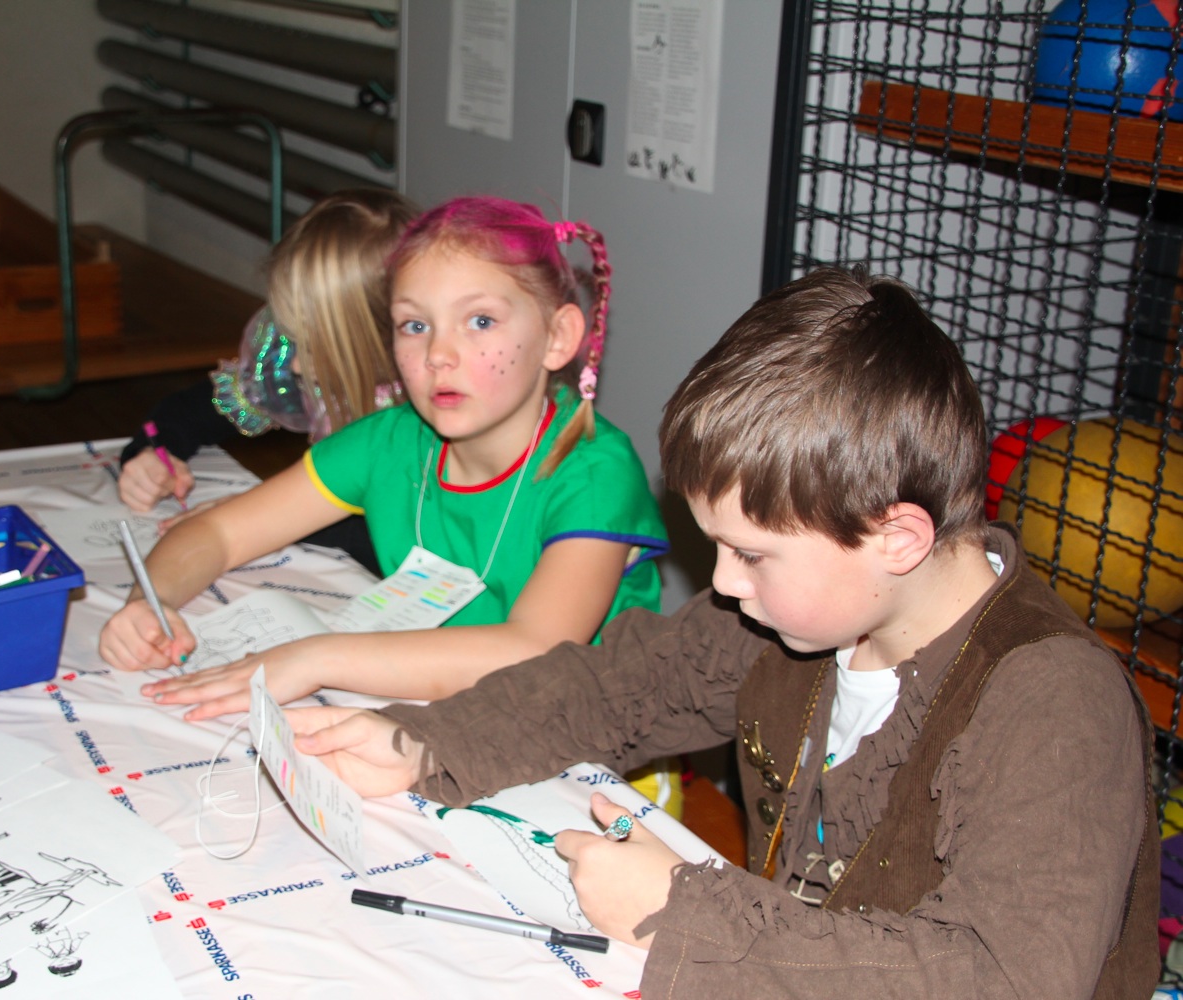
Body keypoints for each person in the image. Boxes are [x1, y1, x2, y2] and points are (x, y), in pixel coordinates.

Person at [286, 266, 1159, 998]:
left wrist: (685, 915)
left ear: (896, 538)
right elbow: (622, 685)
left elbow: (1002, 977)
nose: (726, 583)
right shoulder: (798, 617)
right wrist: (427, 739)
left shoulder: (1054, 703)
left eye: (752, 554)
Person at [98, 196, 670, 727]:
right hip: (446, 714)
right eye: (415, 326)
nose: (438, 355)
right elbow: (219, 532)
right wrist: (151, 604)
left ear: (558, 336)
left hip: (590, 743)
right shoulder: (387, 442)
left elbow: (533, 650)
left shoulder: (595, 472)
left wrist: (315, 658)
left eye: (480, 321)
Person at [115, 188, 418, 572]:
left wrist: (269, 516)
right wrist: (152, 453)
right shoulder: (301, 363)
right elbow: (189, 412)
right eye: (292, 336)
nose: (295, 366)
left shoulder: (428, 419)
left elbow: (400, 542)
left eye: (313, 346)